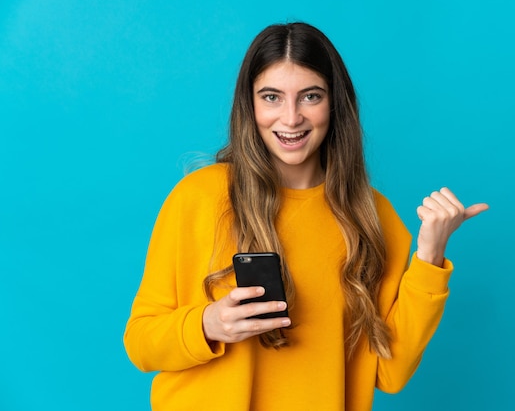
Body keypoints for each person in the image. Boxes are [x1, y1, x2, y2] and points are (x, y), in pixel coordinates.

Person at [123, 22, 488, 410]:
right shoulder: (199, 197)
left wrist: (430, 255)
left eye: (310, 96)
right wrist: (207, 325)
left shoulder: (372, 217)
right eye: (272, 97)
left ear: (334, 103)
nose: (291, 117)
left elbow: (389, 372)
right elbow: (140, 343)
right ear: (250, 105)